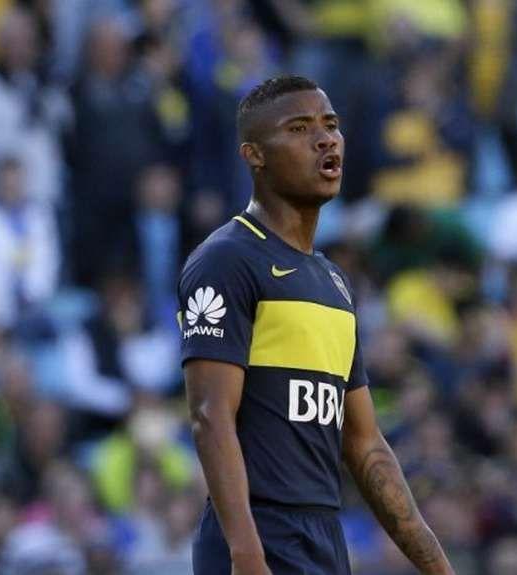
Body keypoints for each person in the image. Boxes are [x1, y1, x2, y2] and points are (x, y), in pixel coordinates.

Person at [179, 76, 454, 574]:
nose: (325, 139)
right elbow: (210, 414)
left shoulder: (335, 283)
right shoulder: (226, 260)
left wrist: (437, 566)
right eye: (300, 128)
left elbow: (364, 443)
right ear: (255, 155)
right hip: (257, 535)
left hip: (324, 537)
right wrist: (246, 553)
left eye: (330, 125)